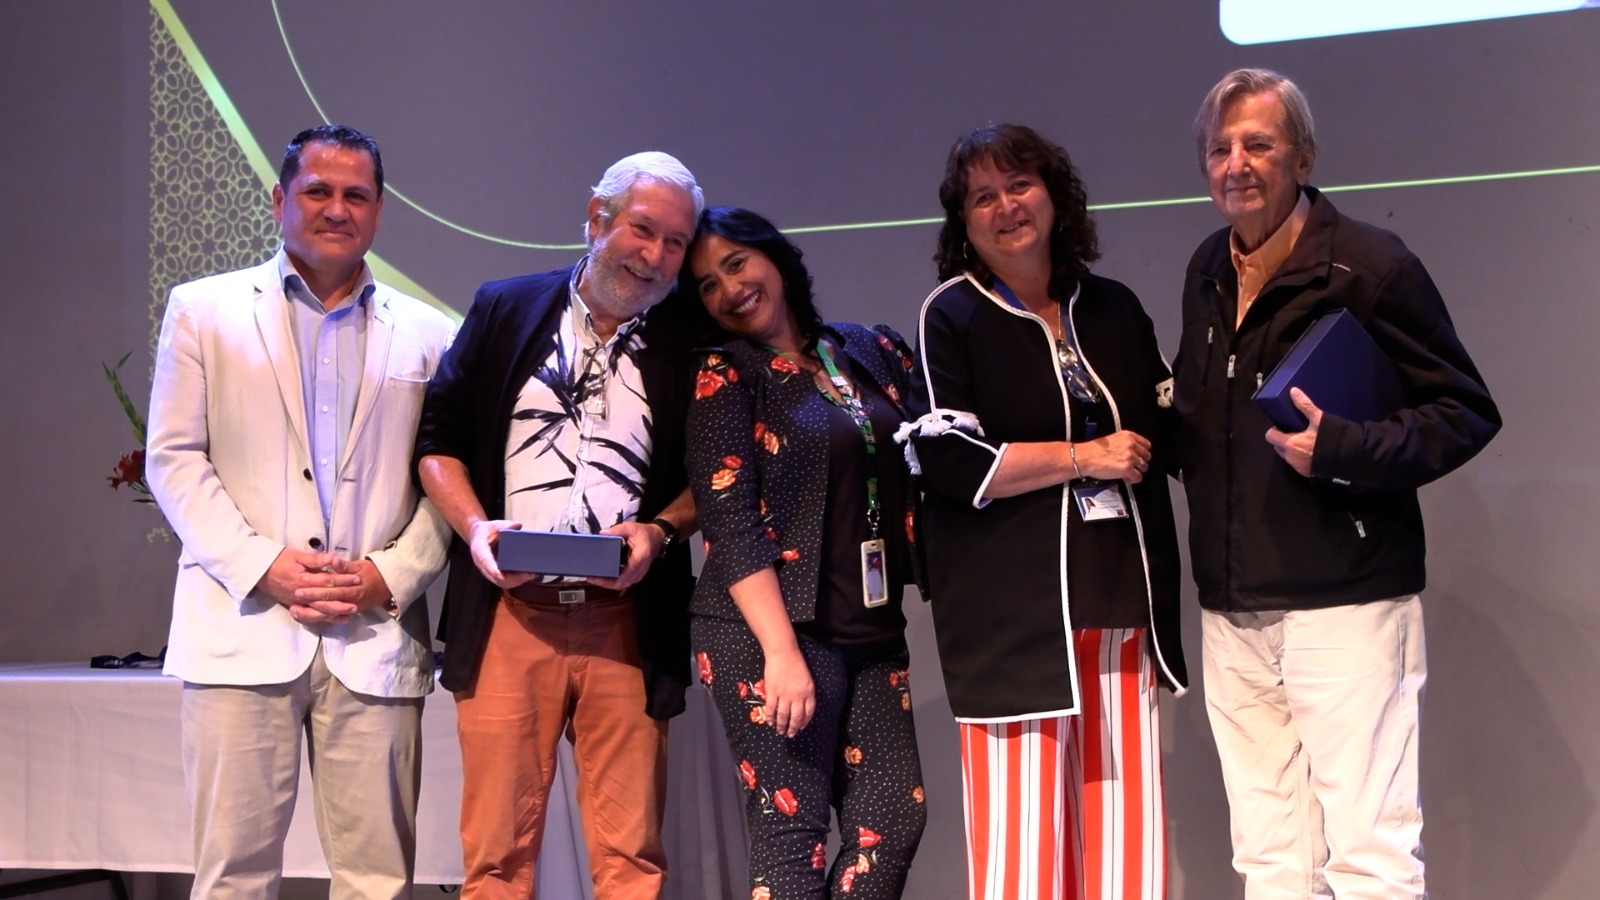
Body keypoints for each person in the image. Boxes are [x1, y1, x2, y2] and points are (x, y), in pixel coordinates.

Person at [1174, 69, 1502, 898]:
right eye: (1220, 148)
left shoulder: (1369, 265)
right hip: (1232, 613)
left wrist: (1345, 448)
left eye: (1258, 144)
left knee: (1369, 857)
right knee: (1269, 861)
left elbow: (1465, 412)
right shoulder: (1209, 267)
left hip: (1346, 605)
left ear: (1304, 157)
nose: (1236, 164)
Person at [145, 124, 454, 898]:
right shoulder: (203, 310)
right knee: (233, 878)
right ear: (279, 198)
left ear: (379, 210)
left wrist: (392, 574)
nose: (336, 208)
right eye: (318, 190)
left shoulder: (432, 333)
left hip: (374, 633)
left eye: (356, 194)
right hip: (241, 627)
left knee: (377, 882)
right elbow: (174, 458)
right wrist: (264, 566)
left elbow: (450, 482)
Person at [901, 123, 1187, 900]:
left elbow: (1172, 427)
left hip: (1118, 604)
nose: (1006, 207)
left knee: (1128, 854)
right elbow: (955, 462)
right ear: (962, 222)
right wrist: (1083, 457)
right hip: (1012, 627)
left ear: (1055, 195)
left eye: (1019, 185)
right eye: (982, 197)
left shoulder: (1115, 307)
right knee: (1023, 865)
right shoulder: (951, 316)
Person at [414, 151, 702, 899]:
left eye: (675, 242)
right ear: (597, 218)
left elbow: (719, 475)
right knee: (496, 860)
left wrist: (660, 532)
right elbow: (437, 444)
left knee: (631, 859)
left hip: (627, 623)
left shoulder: (690, 342)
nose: (655, 256)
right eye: (643, 230)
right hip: (510, 615)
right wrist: (476, 531)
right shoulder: (505, 308)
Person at [681, 206, 928, 900]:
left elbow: (939, 437)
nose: (730, 290)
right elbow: (729, 524)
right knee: (792, 836)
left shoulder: (866, 348)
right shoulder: (726, 375)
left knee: (893, 824)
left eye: (736, 264)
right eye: (707, 284)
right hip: (767, 634)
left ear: (776, 259)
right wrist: (780, 653)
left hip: (870, 625)